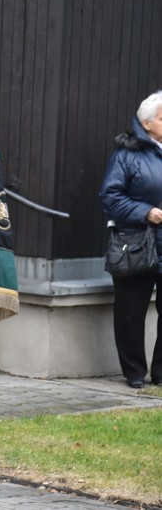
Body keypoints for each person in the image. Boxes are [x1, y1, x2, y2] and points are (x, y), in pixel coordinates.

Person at [99, 90, 162, 389]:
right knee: (130, 312)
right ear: (147, 123)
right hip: (136, 242)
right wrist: (145, 211)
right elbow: (109, 196)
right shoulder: (126, 154)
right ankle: (134, 372)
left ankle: (161, 373)